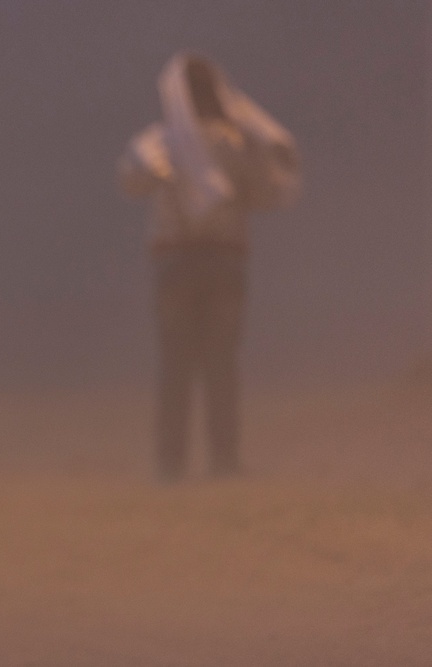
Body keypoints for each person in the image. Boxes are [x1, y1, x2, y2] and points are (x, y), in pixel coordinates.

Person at [117, 53, 299, 481]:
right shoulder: (235, 143)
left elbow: (132, 180)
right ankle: (223, 460)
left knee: (176, 363)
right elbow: (266, 193)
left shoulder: (159, 142)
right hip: (223, 262)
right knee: (221, 363)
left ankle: (172, 461)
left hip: (175, 260)